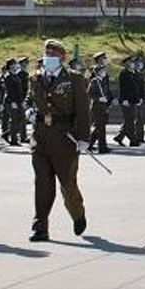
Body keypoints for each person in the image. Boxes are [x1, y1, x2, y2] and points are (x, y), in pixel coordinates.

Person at [26, 39, 91, 242]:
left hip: (65, 138)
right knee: (42, 184)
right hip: (41, 138)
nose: (49, 58)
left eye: (53, 55)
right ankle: (40, 226)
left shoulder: (74, 79)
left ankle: (77, 213)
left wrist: (83, 138)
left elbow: (82, 110)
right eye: (47, 54)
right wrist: (28, 110)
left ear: (62, 57)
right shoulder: (35, 78)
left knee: (67, 184)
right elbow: (29, 99)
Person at [86, 52, 113, 153]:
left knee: (101, 125)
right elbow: (91, 91)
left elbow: (106, 87)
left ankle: (90, 143)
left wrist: (109, 99)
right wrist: (99, 98)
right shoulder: (94, 73)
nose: (105, 59)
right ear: (99, 59)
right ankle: (101, 146)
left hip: (104, 101)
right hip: (97, 104)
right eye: (103, 58)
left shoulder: (104, 72)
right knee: (100, 126)